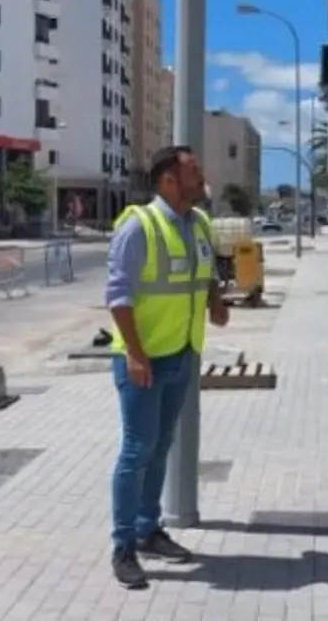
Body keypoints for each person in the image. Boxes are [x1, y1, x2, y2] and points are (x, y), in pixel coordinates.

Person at [104, 145, 228, 589]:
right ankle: (123, 547)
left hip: (182, 352)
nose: (201, 177)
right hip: (143, 358)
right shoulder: (139, 226)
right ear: (168, 180)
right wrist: (136, 354)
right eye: (193, 171)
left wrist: (215, 300)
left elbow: (204, 271)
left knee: (160, 448)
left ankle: (148, 529)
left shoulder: (200, 223)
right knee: (137, 450)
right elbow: (118, 296)